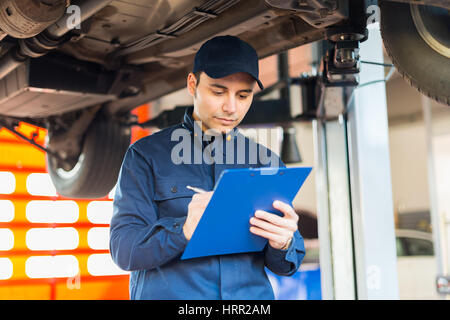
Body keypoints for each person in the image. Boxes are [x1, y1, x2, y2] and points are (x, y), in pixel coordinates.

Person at [110, 35, 305, 300]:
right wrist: (184, 229)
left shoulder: (265, 163)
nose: (231, 107)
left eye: (243, 95)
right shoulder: (145, 156)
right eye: (218, 91)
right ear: (193, 84)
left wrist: (284, 241)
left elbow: (285, 265)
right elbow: (124, 250)